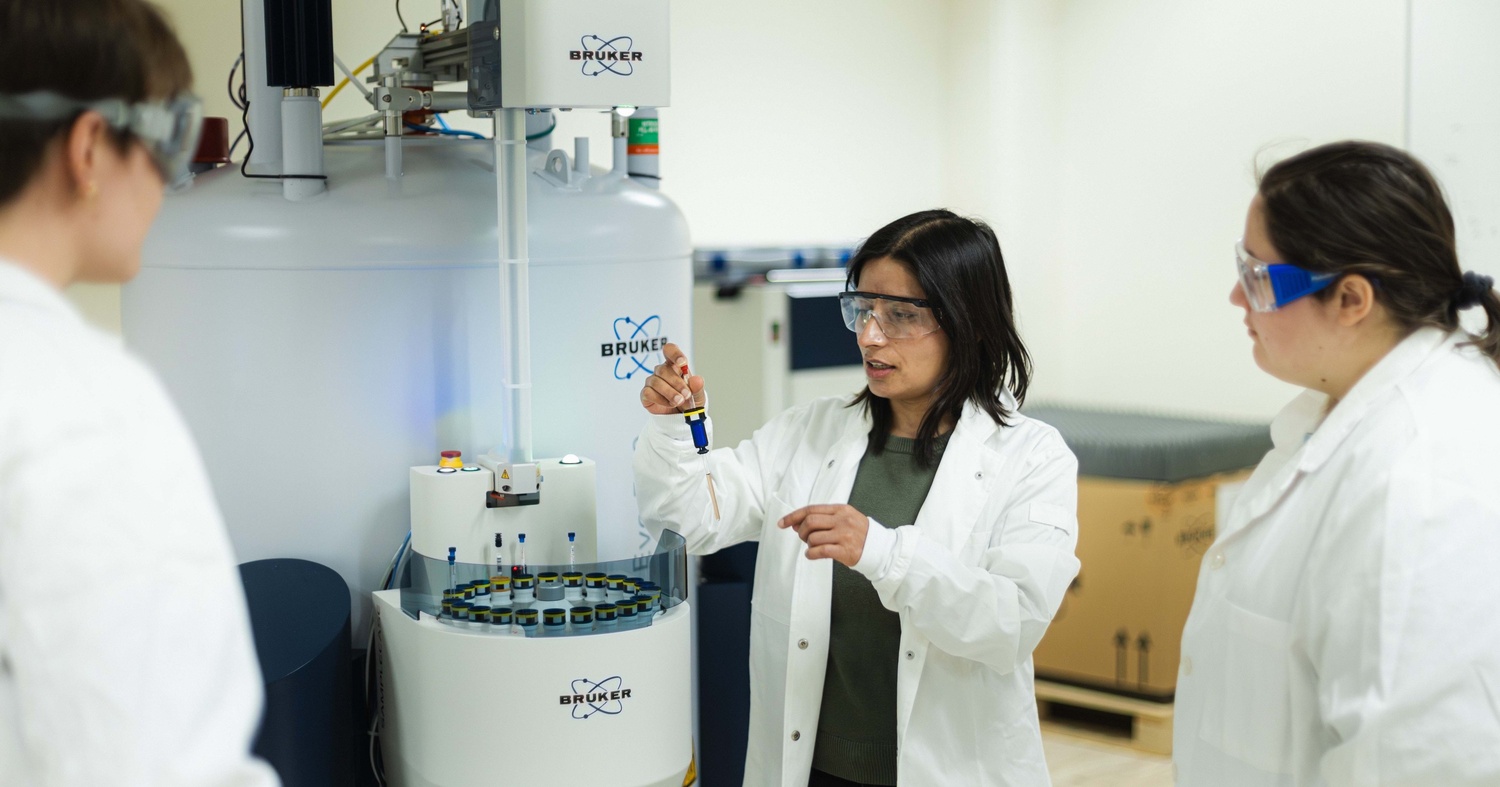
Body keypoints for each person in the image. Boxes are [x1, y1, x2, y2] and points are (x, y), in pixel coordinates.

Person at [634, 210, 1080, 786]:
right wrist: (674, 429)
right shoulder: (810, 432)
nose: (870, 335)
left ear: (967, 321)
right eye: (863, 310)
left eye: (900, 315)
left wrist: (881, 552)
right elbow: (693, 519)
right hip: (813, 772)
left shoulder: (1032, 457)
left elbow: (1010, 624)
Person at [0, 1, 279, 784]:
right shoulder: (82, 404)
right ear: (90, 147)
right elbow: (152, 762)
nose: (168, 182)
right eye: (166, 141)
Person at [1174, 141, 1500, 785]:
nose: (1237, 299)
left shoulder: (1420, 478)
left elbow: (1417, 763)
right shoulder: (1336, 420)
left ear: (1351, 299)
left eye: (1258, 277)